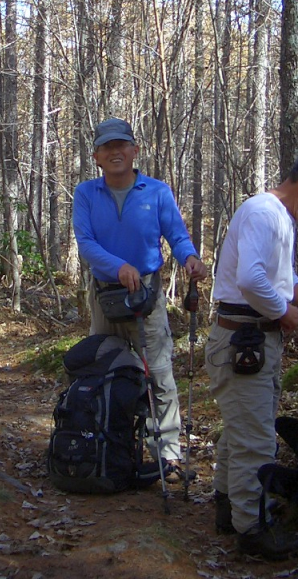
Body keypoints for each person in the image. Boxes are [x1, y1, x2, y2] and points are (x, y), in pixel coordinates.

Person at [206, 150, 298, 560]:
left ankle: (228, 504)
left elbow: (283, 276)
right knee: (256, 440)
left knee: (243, 427)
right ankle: (254, 527)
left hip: (250, 338)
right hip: (245, 339)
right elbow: (251, 279)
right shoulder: (266, 213)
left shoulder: (276, 216)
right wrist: (285, 312)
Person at [72, 117, 209, 483]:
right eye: (107, 147)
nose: (115, 152)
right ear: (97, 156)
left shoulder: (157, 191)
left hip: (146, 296)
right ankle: (107, 443)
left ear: (135, 150)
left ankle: (166, 456)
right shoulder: (86, 193)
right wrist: (118, 268)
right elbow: (85, 244)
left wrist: (190, 258)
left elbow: (176, 235)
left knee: (159, 373)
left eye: (122, 145)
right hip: (105, 295)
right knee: (103, 369)